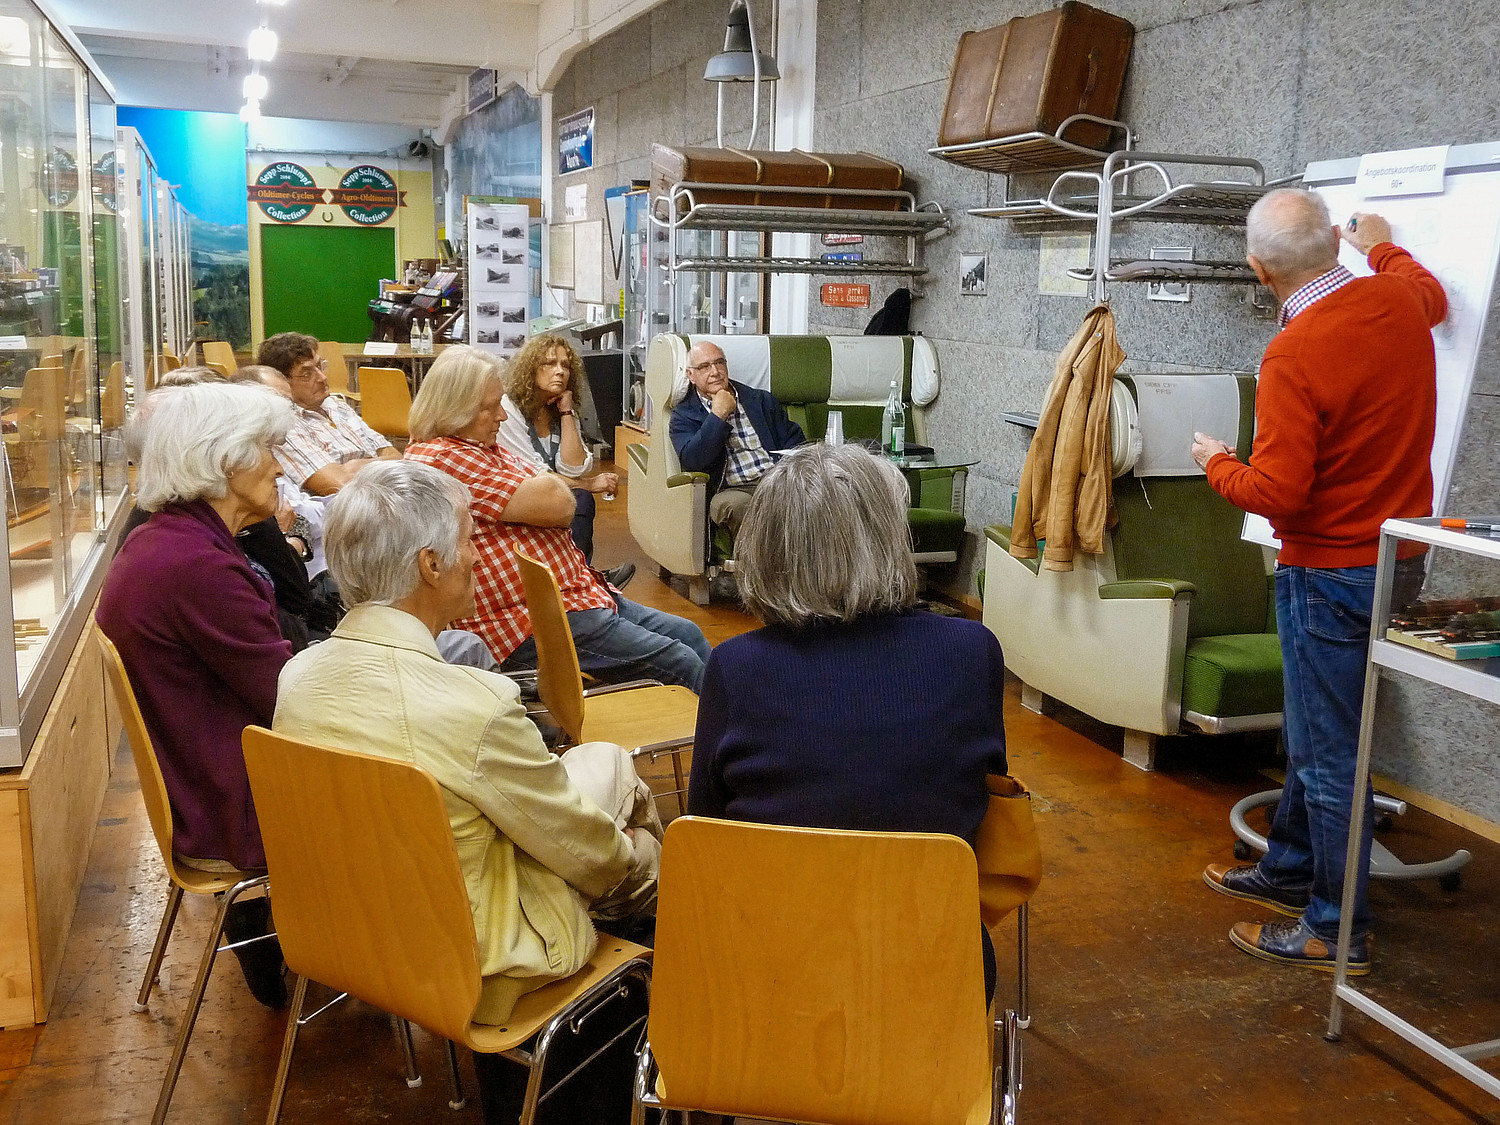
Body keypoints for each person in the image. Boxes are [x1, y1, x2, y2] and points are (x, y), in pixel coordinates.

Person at [273, 460, 659, 1124]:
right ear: (430, 564)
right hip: (477, 961)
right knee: (642, 846)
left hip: (355, 933)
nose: (478, 556)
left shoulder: (297, 677)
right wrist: (633, 864)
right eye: (470, 540)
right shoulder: (471, 704)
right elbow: (581, 849)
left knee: (600, 775)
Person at [1191, 189, 1447, 975]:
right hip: (1398, 562)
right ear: (1335, 240)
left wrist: (1216, 463)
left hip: (1327, 571)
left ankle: (1334, 928)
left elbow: (1277, 494)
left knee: (1330, 754)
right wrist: (1383, 245)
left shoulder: (1294, 352)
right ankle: (1291, 866)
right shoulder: (1397, 300)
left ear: (1255, 268)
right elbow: (1431, 292)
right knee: (1318, 735)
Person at [686, 442, 1009, 1001]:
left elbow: (707, 829)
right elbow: (980, 802)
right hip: (932, 981)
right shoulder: (972, 652)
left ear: (769, 548)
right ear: (890, 540)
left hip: (765, 984)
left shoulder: (735, 668)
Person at [97, 381, 298, 1008]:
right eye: (266, 448)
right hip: (239, 804)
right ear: (222, 459)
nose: (280, 463)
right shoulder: (197, 568)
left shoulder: (163, 543)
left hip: (210, 781)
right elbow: (291, 701)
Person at [405, 344, 711, 691]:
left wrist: (551, 474)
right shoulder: (445, 458)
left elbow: (568, 471)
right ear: (454, 410)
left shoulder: (480, 446)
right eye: (490, 408)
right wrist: (547, 483)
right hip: (525, 621)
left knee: (689, 633)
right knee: (680, 660)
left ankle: (726, 727)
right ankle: (723, 738)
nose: (502, 417)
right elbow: (561, 503)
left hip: (576, 596)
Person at [495, 333, 632, 586]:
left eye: (565, 365)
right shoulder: (508, 408)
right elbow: (531, 472)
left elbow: (574, 466)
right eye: (549, 364)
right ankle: (580, 580)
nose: (560, 372)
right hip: (516, 493)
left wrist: (567, 412)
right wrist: (589, 484)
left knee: (580, 499)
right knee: (581, 497)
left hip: (549, 489)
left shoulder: (560, 408)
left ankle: (580, 575)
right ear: (529, 369)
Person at [669, 340, 805, 538]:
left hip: (776, 481)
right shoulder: (683, 415)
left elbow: (795, 441)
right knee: (737, 507)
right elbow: (693, 461)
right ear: (691, 375)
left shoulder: (760, 400)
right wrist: (718, 416)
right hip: (732, 490)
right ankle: (759, 566)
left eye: (719, 363)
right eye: (704, 367)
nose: (715, 371)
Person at [257, 331, 400, 495]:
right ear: (282, 382)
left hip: (384, 492)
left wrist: (352, 466)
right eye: (307, 374)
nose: (322, 377)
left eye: (320, 366)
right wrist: (381, 463)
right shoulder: (285, 426)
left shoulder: (336, 405)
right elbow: (337, 484)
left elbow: (395, 456)